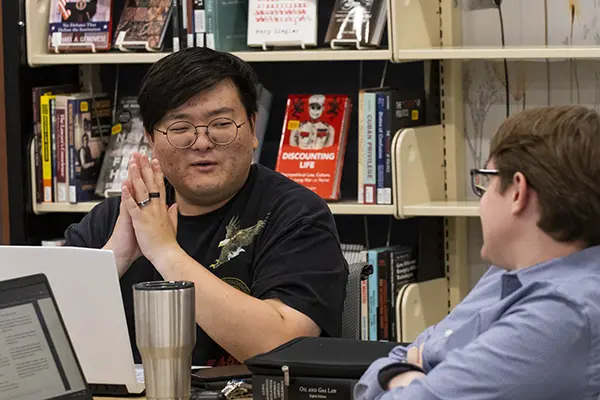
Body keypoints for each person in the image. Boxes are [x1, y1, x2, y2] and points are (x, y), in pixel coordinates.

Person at [63, 47, 349, 367]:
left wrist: (165, 252)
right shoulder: (112, 221)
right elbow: (35, 342)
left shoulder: (297, 215)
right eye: (181, 128)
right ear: (149, 139)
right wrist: (115, 257)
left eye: (221, 124)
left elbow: (284, 348)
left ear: (253, 127)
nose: (202, 142)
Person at [355, 105, 600, 399]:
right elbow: (405, 354)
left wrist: (405, 377)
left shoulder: (563, 315)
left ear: (518, 192)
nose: (480, 203)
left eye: (485, 182)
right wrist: (401, 374)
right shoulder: (508, 271)